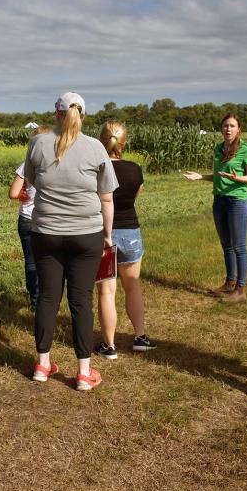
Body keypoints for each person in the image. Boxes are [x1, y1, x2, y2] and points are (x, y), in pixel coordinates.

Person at [24, 92, 118, 391]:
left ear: (56, 114)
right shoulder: (95, 147)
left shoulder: (38, 143)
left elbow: (33, 180)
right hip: (86, 234)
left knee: (48, 297)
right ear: (83, 116)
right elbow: (106, 195)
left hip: (46, 232)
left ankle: (42, 364)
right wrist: (106, 235)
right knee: (81, 301)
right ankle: (83, 372)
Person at [93, 121, 157, 359]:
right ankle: (140, 336)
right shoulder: (134, 169)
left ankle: (109, 346)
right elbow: (134, 197)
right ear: (124, 142)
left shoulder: (96, 167)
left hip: (103, 233)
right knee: (133, 287)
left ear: (100, 139)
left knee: (106, 292)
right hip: (130, 232)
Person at [183, 113, 247, 303]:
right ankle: (229, 283)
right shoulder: (218, 148)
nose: (228, 129)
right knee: (227, 245)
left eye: (232, 126)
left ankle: (240, 289)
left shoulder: (245, 149)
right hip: (220, 201)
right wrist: (200, 176)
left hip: (237, 201)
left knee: (239, 246)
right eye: (225, 126)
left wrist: (236, 179)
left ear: (238, 129)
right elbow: (218, 175)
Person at [7, 126, 52, 311]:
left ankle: (35, 300)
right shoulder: (54, 163)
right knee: (50, 261)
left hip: (27, 219)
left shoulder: (27, 164)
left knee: (31, 261)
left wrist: (22, 195)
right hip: (48, 219)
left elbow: (12, 193)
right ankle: (49, 298)